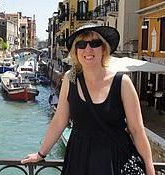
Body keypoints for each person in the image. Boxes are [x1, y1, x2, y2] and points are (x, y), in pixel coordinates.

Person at [21, 23, 155, 175]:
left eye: (95, 43)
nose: (88, 49)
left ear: (104, 49)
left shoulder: (122, 82)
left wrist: (150, 169)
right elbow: (59, 121)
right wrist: (41, 154)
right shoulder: (69, 79)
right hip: (79, 159)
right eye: (82, 44)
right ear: (76, 51)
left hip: (115, 160)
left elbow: (137, 130)